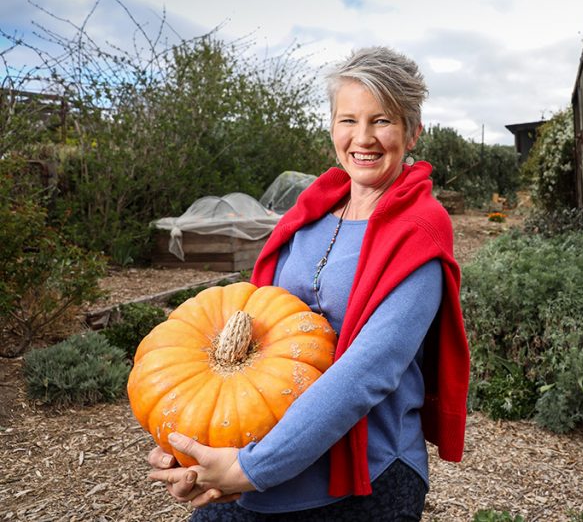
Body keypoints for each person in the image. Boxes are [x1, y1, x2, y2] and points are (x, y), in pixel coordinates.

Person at [147, 46, 470, 520]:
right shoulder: (311, 213)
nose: (363, 138)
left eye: (382, 121)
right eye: (348, 120)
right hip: (261, 469)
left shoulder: (420, 229)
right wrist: (193, 453)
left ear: (413, 132)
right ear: (332, 126)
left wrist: (248, 469)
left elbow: (367, 372)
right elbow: (260, 343)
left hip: (362, 481)